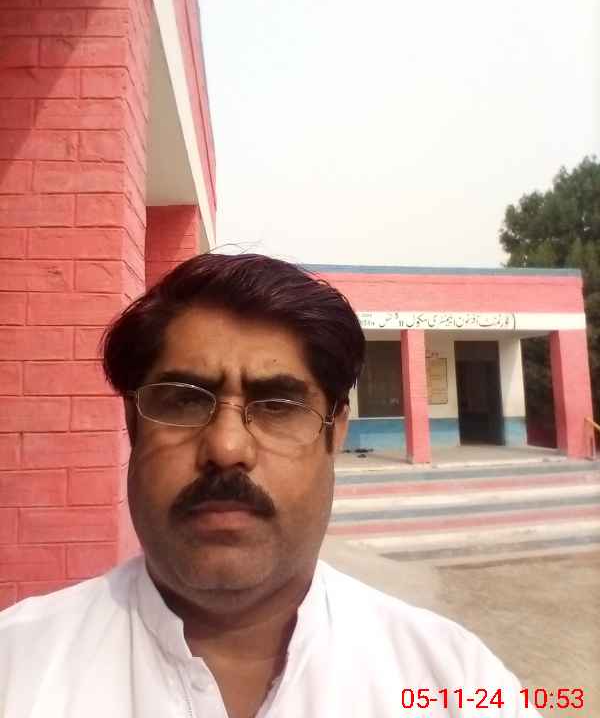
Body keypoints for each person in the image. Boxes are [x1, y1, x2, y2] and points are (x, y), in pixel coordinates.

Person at [0, 253, 541, 718]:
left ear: (335, 432)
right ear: (133, 424)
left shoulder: (456, 684)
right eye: (184, 401)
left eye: (278, 405)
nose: (226, 447)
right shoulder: (18, 669)